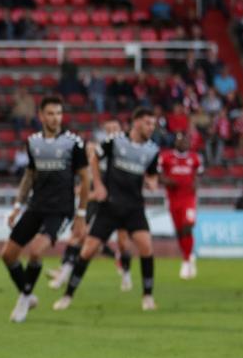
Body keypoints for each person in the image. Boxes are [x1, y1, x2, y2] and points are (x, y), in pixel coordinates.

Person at [54, 108, 161, 312]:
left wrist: (152, 182)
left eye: (153, 124)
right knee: (88, 250)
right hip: (110, 206)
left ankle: (147, 296)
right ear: (136, 122)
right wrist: (99, 185)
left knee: (146, 247)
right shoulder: (116, 141)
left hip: (134, 208)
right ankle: (67, 295)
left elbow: (153, 174)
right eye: (148, 123)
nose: (151, 128)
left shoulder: (152, 150)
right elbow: (94, 157)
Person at [2, 96, 89, 322]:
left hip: (60, 210)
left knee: (35, 251)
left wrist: (81, 214)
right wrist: (17, 206)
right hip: (36, 206)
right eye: (50, 113)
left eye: (58, 113)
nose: (55, 118)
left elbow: (85, 178)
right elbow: (29, 176)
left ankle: (24, 299)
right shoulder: (33, 142)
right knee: (8, 255)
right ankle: (27, 295)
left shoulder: (73, 143)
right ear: (41, 116)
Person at [159, 133, 203, 279]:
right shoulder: (166, 157)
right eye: (180, 141)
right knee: (179, 231)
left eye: (185, 141)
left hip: (189, 198)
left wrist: (196, 183)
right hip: (173, 199)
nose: (183, 143)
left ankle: (186, 260)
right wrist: (166, 181)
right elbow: (157, 174)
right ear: (175, 143)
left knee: (187, 226)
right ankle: (188, 256)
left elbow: (199, 174)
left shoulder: (195, 158)